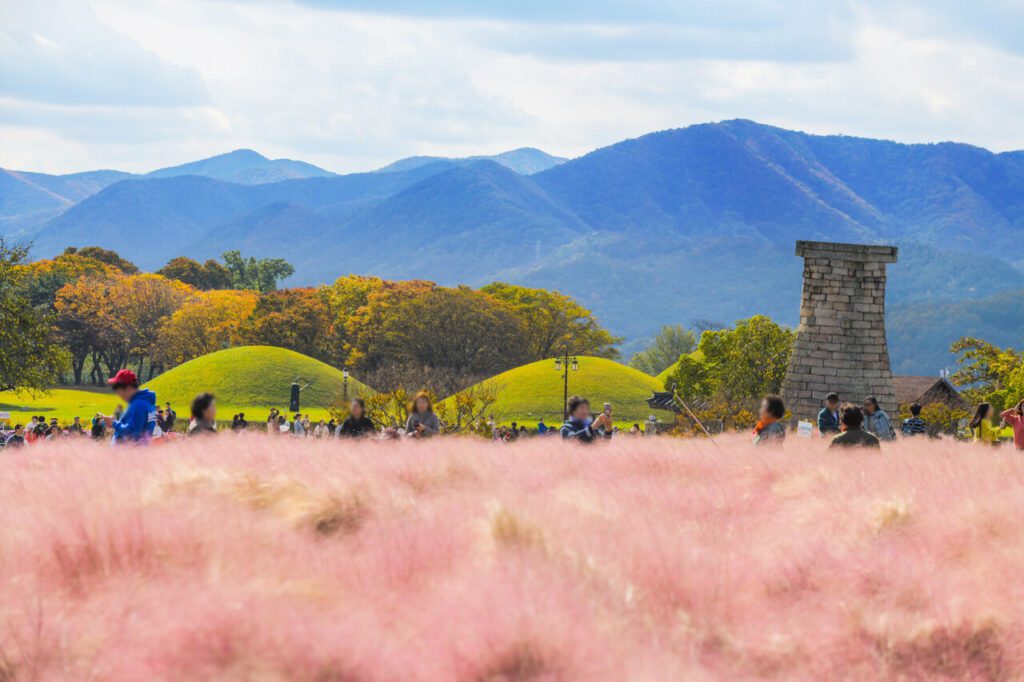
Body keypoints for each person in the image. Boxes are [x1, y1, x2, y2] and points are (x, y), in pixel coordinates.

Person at [102, 369, 157, 445]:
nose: (119, 395)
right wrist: (115, 423)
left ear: (128, 388)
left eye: (119, 391)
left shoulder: (138, 405)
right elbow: (137, 428)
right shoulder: (147, 402)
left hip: (129, 453)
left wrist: (114, 423)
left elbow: (131, 434)